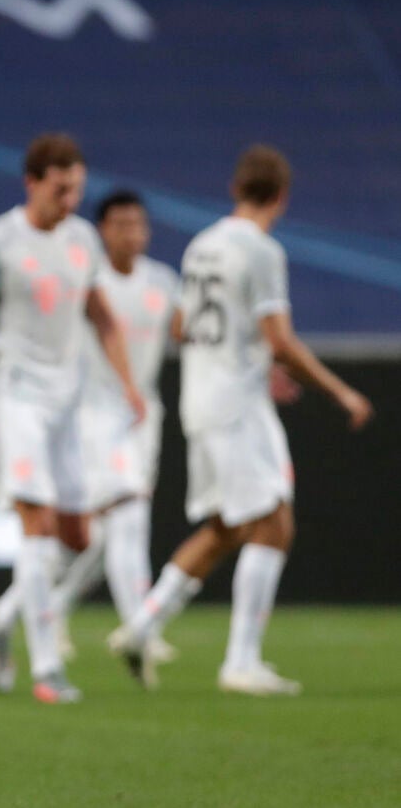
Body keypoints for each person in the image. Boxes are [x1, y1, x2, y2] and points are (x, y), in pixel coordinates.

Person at [110, 146, 373, 694]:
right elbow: (281, 338)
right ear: (280, 196)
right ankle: (241, 662)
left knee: (227, 527)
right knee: (275, 521)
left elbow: (182, 325)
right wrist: (340, 390)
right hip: (235, 405)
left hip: (201, 400)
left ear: (235, 189)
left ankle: (141, 627)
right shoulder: (262, 251)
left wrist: (253, 357)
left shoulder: (202, 245)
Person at [0, 134, 148, 704]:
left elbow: (103, 319)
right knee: (35, 524)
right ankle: (46, 668)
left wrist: (129, 384)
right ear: (32, 182)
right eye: (61, 188)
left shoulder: (82, 239)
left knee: (76, 534)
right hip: (16, 396)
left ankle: (0, 618)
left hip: (70, 401)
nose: (70, 200)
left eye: (77, 189)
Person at [38, 191, 180, 664]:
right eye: (120, 224)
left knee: (104, 537)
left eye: (138, 224)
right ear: (103, 230)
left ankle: (48, 608)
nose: (131, 233)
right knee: (130, 517)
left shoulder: (162, 281)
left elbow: (191, 334)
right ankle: (141, 628)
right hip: (94, 415)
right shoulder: (87, 280)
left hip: (144, 416)